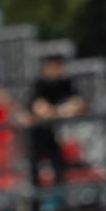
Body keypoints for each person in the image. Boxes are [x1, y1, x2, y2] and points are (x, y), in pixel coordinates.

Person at [26, 53, 85, 188]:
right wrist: (62, 111)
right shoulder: (40, 84)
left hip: (53, 136)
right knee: (35, 174)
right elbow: (40, 109)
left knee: (60, 168)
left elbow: (79, 103)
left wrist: (61, 111)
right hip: (36, 136)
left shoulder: (65, 83)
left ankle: (59, 203)